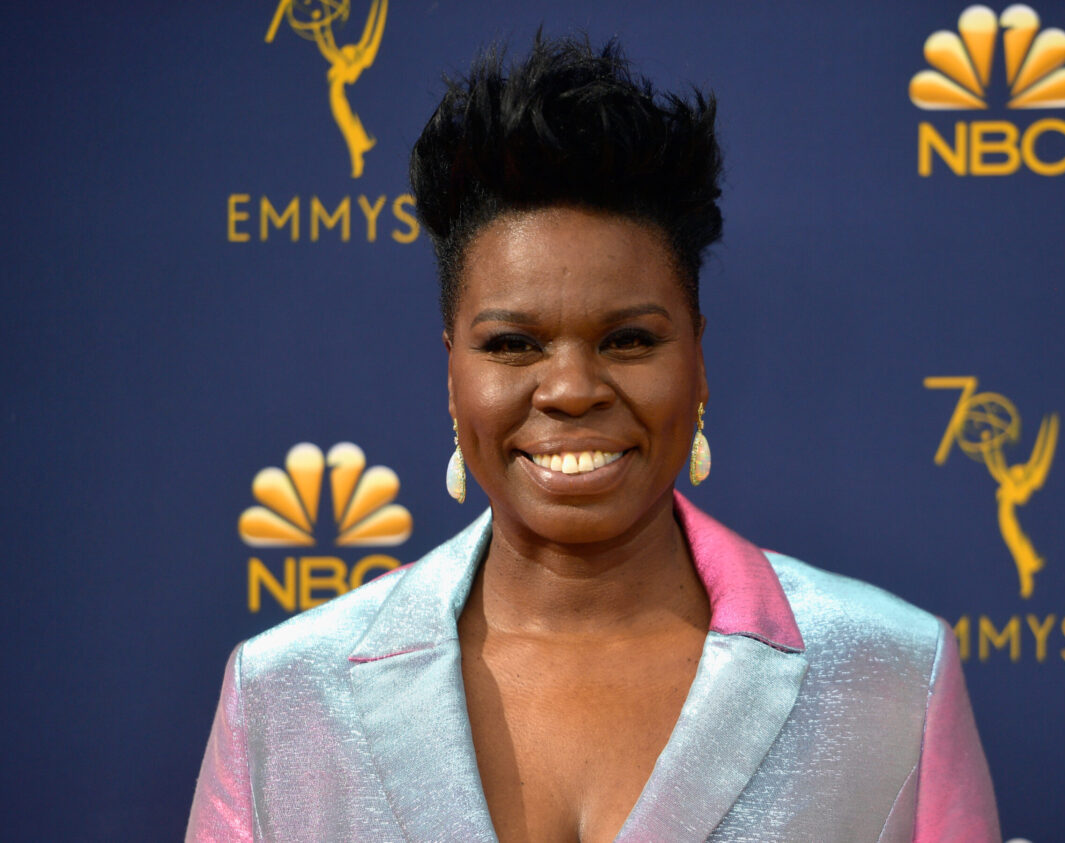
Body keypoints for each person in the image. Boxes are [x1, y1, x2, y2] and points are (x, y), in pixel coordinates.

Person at [187, 34, 1001, 842]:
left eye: (629, 340)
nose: (572, 389)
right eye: (513, 344)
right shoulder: (285, 698)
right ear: (452, 373)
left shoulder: (891, 678)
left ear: (699, 361)